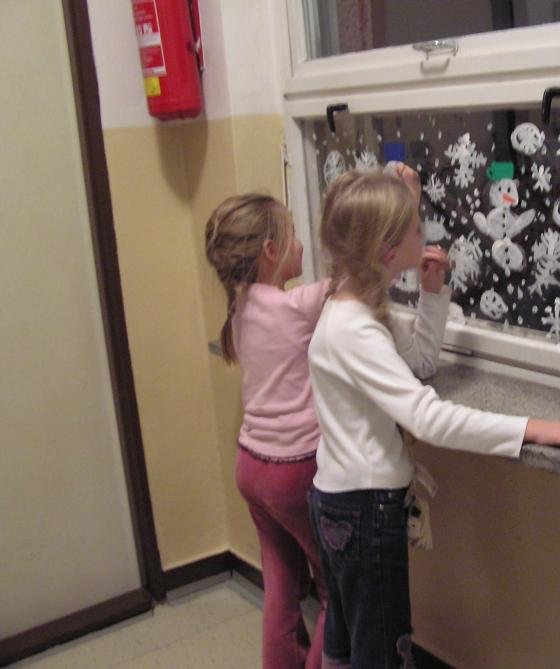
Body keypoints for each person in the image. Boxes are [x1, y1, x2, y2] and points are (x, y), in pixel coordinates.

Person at [307, 166, 560, 668]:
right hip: (363, 510)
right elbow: (427, 417)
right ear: (387, 252)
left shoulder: (356, 304)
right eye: (414, 226)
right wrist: (531, 428)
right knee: (379, 653)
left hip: (338, 503)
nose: (424, 233)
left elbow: (420, 364)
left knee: (346, 643)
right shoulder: (355, 329)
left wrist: (431, 291)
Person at [205, 193, 329, 669]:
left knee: (280, 587)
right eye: (294, 235)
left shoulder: (240, 308)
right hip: (294, 471)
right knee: (337, 589)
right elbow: (362, 277)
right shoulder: (296, 305)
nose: (302, 245)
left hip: (251, 467)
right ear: (271, 251)